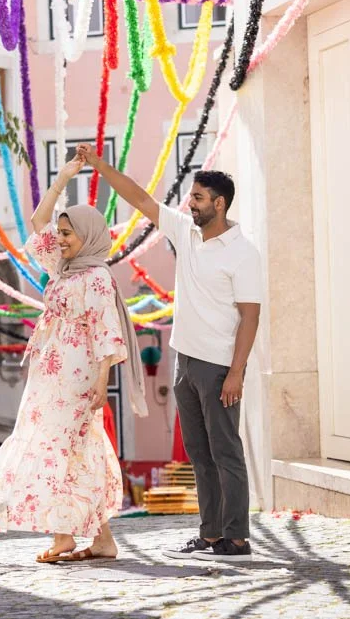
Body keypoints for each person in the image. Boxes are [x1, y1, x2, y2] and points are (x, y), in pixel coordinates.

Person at [77, 145, 262, 562]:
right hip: (185, 361)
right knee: (199, 454)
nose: (189, 203)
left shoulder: (243, 253)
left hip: (219, 366)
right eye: (190, 197)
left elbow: (250, 318)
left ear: (219, 203)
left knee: (226, 450)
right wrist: (98, 164)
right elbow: (140, 198)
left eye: (197, 198)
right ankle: (211, 534)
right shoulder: (185, 231)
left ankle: (237, 538)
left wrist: (237, 373)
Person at [0, 157, 147, 564]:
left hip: (78, 377)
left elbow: (106, 331)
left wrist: (102, 381)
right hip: (50, 372)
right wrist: (64, 177)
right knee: (66, 449)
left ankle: (71, 536)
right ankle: (95, 539)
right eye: (61, 233)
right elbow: (36, 222)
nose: (60, 239)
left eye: (68, 234)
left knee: (67, 448)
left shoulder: (96, 277)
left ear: (89, 235)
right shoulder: (63, 268)